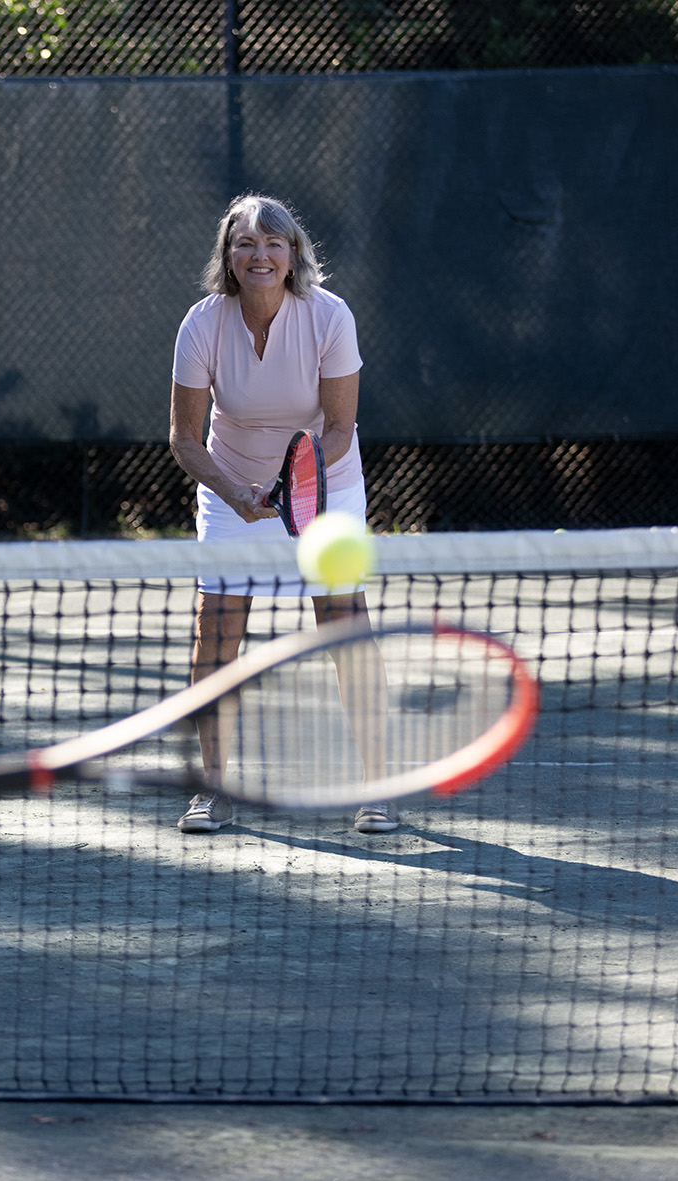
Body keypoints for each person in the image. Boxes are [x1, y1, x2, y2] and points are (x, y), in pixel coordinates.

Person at [165, 194, 395, 836]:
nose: (260, 255)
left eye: (273, 243)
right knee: (217, 630)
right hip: (230, 485)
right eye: (246, 244)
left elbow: (342, 426)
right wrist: (240, 491)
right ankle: (211, 789)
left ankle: (377, 788)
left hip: (327, 483)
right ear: (229, 258)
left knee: (343, 621)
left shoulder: (329, 315)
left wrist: (298, 485)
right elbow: (184, 438)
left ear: (293, 254)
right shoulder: (201, 323)